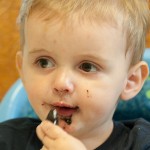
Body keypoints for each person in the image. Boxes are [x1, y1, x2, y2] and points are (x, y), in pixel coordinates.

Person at [0, 0, 150, 149]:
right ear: (23, 70)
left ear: (130, 80)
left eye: (87, 66)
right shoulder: (6, 139)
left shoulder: (143, 144)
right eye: (44, 62)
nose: (61, 83)